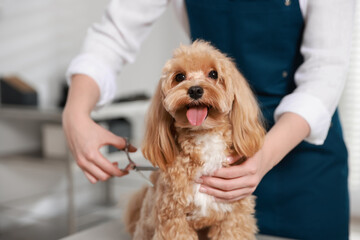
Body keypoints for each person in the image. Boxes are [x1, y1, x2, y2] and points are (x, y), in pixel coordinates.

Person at [62, 0, 354, 239]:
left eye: (211, 75)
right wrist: (75, 113)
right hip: (196, 136)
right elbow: (112, 35)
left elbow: (326, 71)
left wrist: (263, 156)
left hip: (304, 159)